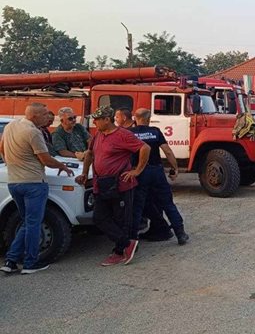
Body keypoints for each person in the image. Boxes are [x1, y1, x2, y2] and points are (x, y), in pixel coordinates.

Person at [0, 103, 74, 275]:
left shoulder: (11, 125)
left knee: (27, 222)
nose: (48, 117)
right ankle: (30, 263)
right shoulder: (34, 132)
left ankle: (11, 261)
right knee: (34, 224)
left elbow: (2, 147)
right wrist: (62, 166)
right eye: (44, 114)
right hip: (33, 183)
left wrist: (12, 162)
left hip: (14, 181)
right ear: (34, 116)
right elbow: (45, 159)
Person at [75, 106, 150, 267]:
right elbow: (90, 154)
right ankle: (127, 243)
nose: (94, 122)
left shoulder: (123, 135)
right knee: (99, 218)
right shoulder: (98, 135)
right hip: (101, 184)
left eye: (97, 119)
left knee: (122, 219)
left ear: (107, 120)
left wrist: (137, 171)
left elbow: (145, 148)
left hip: (120, 185)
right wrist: (84, 173)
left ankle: (119, 250)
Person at [130, 109, 189, 245]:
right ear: (148, 119)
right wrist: (175, 167)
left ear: (135, 118)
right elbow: (167, 151)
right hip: (156, 171)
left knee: (137, 205)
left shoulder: (130, 133)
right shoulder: (155, 131)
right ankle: (180, 234)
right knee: (168, 203)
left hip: (139, 172)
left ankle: (133, 238)